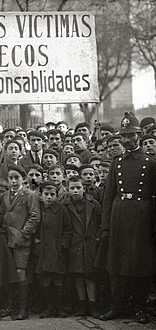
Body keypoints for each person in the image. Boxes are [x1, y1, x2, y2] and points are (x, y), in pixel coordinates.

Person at [98, 113, 156, 324]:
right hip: (119, 217)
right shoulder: (117, 163)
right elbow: (108, 197)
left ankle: (140, 308)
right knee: (116, 264)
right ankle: (117, 306)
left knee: (140, 265)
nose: (127, 139)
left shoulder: (150, 162)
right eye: (124, 136)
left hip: (141, 218)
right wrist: (106, 227)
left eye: (131, 135)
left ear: (139, 135)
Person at [0, 164, 40, 320]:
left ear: (23, 179)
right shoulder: (5, 196)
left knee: (20, 271)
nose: (14, 181)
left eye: (17, 178)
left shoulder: (29, 195)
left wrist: (24, 234)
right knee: (10, 271)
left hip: (22, 240)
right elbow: (4, 214)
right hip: (8, 238)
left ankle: (23, 308)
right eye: (11, 178)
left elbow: (34, 216)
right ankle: (11, 305)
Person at [64, 175, 101, 318]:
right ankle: (81, 305)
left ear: (84, 188)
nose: (75, 191)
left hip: (90, 245)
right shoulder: (66, 206)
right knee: (78, 275)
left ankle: (92, 304)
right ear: (68, 189)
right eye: (72, 188)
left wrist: (97, 237)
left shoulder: (94, 204)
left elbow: (100, 222)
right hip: (75, 245)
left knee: (90, 276)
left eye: (78, 188)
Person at [34, 181, 72, 318]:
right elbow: (35, 227)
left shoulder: (62, 210)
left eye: (52, 194)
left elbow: (68, 230)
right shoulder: (38, 209)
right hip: (43, 251)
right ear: (41, 195)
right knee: (45, 279)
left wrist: (62, 245)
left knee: (58, 279)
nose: (49, 197)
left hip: (57, 251)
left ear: (57, 196)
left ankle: (59, 307)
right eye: (46, 194)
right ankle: (48, 307)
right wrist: (37, 243)